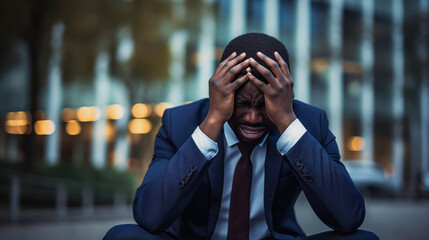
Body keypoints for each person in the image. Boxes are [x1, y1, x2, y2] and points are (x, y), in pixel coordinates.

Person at [104, 33, 379, 240]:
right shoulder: (180, 124)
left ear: (284, 96)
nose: (253, 118)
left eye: (264, 105)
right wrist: (212, 121)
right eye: (242, 104)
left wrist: (285, 121)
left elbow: (349, 217)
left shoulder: (308, 124)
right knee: (122, 236)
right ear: (220, 93)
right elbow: (149, 216)